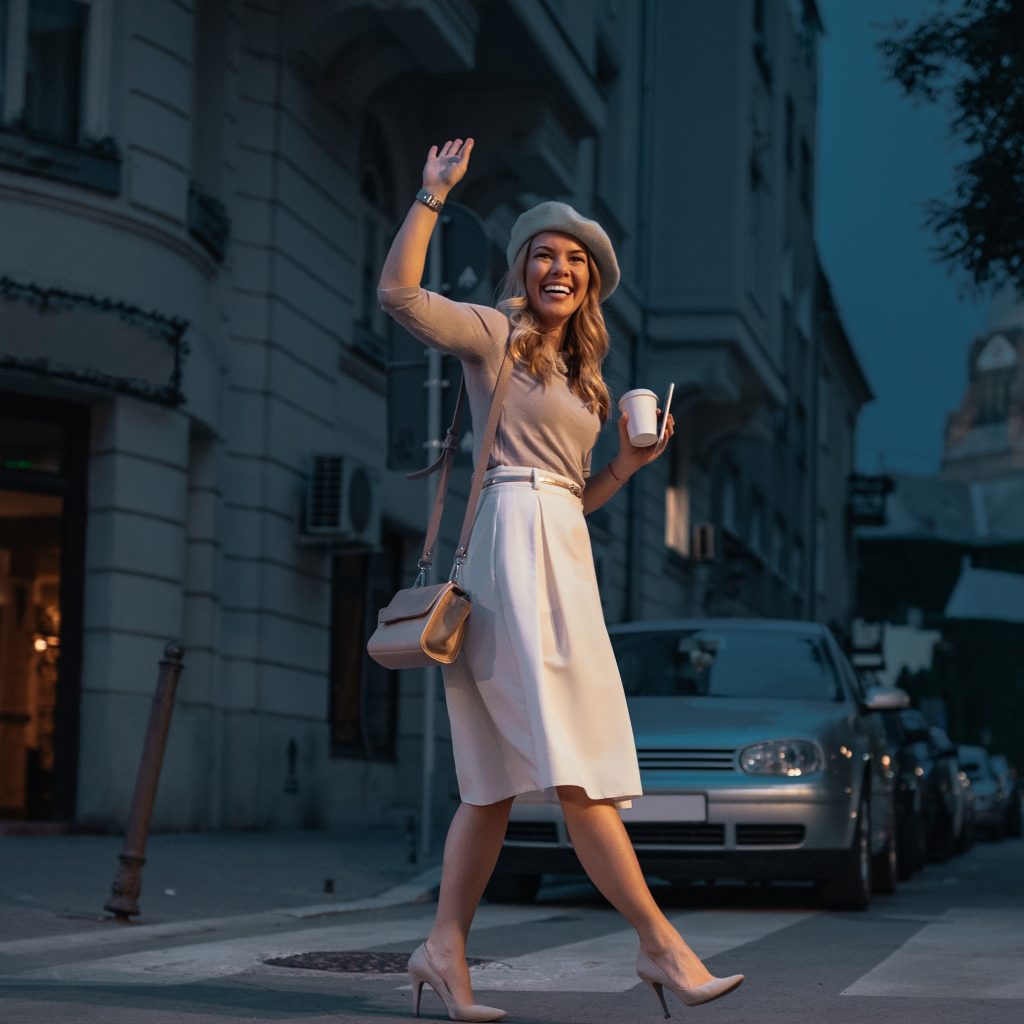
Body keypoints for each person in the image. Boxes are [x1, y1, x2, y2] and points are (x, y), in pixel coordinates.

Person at [378, 138, 744, 1022]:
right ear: (523, 265)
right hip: (506, 551)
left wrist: (627, 461)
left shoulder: (588, 377)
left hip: (560, 558)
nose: (560, 267)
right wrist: (431, 198)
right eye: (545, 252)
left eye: (576, 259)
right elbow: (399, 296)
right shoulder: (496, 334)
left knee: (494, 787)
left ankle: (442, 949)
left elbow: (576, 500)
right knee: (577, 772)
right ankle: (662, 946)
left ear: (590, 284)